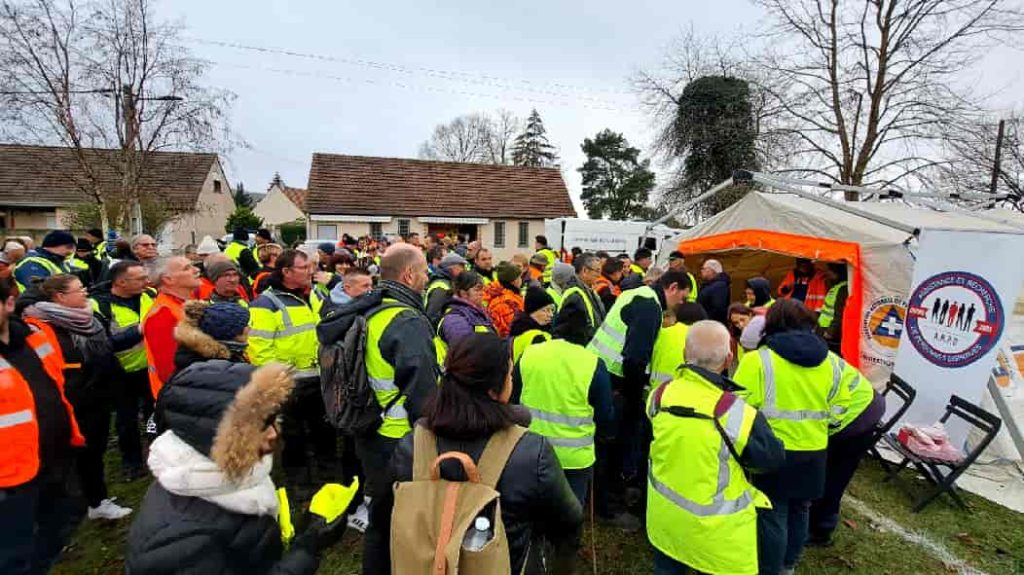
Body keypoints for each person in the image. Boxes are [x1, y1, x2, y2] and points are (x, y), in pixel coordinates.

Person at [126, 356, 355, 574]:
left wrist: (300, 535)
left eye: (274, 420)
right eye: (262, 425)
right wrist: (307, 549)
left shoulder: (222, 477)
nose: (274, 434)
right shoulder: (183, 542)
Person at [386, 333, 583, 575]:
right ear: (493, 390)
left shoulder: (411, 447)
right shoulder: (531, 452)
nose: (511, 380)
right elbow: (568, 520)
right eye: (509, 375)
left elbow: (383, 522)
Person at [317, 243, 439, 575]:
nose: (427, 278)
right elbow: (423, 393)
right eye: (425, 271)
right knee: (402, 523)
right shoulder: (405, 320)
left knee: (381, 518)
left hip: (369, 427)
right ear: (410, 274)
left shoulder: (370, 308)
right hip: (400, 439)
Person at [646, 321, 785, 575]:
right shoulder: (738, 413)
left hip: (665, 520)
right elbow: (770, 460)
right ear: (729, 358)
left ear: (685, 354)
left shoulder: (659, 395)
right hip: (718, 536)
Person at [732, 299, 850, 575]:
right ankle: (789, 565)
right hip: (815, 450)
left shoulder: (758, 361)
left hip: (773, 451)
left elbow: (740, 407)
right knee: (800, 509)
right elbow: (839, 410)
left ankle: (770, 569)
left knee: (773, 514)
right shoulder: (833, 362)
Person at [22, 274, 132, 521]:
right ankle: (91, 502)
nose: (85, 293)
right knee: (84, 454)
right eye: (79, 290)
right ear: (61, 297)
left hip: (97, 396)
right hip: (75, 402)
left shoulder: (86, 318)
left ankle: (96, 497)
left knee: (95, 451)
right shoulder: (41, 326)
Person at [587, 270, 693, 523]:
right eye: (682, 298)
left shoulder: (637, 293)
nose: (681, 304)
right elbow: (635, 358)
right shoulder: (650, 307)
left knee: (605, 442)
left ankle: (601, 498)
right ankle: (608, 507)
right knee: (612, 444)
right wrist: (635, 400)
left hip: (598, 373)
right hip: (614, 383)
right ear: (673, 287)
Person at [0, 279, 87, 574]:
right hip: (10, 478)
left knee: (63, 522)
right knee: (13, 554)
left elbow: (56, 384)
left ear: (9, 304)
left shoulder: (35, 336)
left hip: (56, 455)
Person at [248, 249, 334, 490]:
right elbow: (259, 348)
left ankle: (328, 478)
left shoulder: (316, 294)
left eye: (311, 267)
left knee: (324, 432)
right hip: (289, 382)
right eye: (304, 268)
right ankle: (300, 485)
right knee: (293, 437)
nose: (311, 271)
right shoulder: (265, 304)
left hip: (319, 377)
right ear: (286, 271)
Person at [514, 310, 614, 505]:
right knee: (569, 517)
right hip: (574, 459)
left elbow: (513, 398)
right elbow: (605, 414)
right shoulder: (593, 363)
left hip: (531, 451)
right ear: (586, 334)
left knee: (531, 511)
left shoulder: (530, 354)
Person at [808, 359, 884, 547]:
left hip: (859, 414)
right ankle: (816, 519)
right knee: (823, 470)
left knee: (834, 474)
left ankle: (820, 530)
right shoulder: (807, 349)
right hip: (859, 403)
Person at [91, 260, 154, 480]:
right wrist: (138, 331)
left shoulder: (149, 295)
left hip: (150, 369)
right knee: (126, 421)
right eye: (140, 279)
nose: (146, 282)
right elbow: (102, 344)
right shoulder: (98, 306)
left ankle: (157, 453)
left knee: (153, 415)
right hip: (121, 373)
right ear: (121, 282)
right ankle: (132, 462)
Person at [143, 256, 199, 402]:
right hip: (180, 399)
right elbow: (169, 371)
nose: (196, 270)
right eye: (187, 268)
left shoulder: (183, 304)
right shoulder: (163, 314)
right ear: (168, 279)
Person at [554, 253, 606, 343]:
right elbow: (579, 330)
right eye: (597, 271)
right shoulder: (574, 295)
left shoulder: (589, 291)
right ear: (585, 270)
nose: (599, 275)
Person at [437, 271, 494, 349]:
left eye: (482, 289)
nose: (482, 293)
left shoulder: (478, 312)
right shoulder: (455, 319)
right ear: (463, 293)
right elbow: (465, 352)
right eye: (477, 289)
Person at [509, 287, 555, 364]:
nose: (551, 315)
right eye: (546, 310)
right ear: (533, 311)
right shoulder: (537, 337)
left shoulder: (517, 330)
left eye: (552, 310)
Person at [424, 252, 467, 326]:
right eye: (462, 266)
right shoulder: (441, 287)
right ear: (453, 268)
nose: (464, 270)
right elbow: (432, 317)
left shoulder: (448, 282)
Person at [484, 261, 526, 338]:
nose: (521, 280)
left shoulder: (509, 296)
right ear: (514, 281)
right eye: (519, 277)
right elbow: (511, 328)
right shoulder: (506, 302)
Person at [817, 263, 849, 353]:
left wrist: (830, 333)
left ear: (837, 272)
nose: (827, 273)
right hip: (823, 330)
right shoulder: (835, 286)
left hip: (830, 335)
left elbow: (840, 315)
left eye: (829, 271)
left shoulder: (843, 289)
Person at [697, 259, 731, 326]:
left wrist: (708, 321)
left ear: (712, 270)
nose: (701, 271)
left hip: (712, 325)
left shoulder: (720, 286)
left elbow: (718, 308)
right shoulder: (710, 285)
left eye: (704, 268)